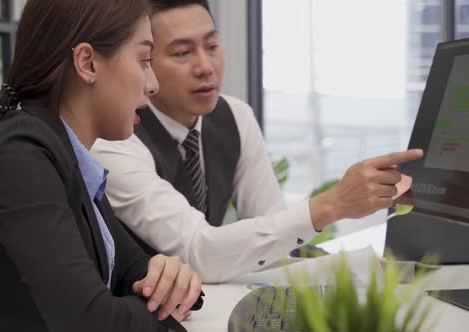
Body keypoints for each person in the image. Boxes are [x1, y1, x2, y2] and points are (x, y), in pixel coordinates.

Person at [0, 0, 202, 330]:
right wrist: (157, 308)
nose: (152, 85)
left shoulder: (64, 156)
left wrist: (169, 277)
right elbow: (91, 322)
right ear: (87, 63)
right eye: (144, 60)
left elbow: (128, 270)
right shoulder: (19, 157)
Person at [91, 0, 423, 283]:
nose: (206, 67)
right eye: (181, 53)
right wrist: (334, 203)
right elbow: (199, 250)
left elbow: (272, 234)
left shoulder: (235, 116)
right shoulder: (115, 140)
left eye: (212, 46)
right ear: (145, 62)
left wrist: (354, 270)